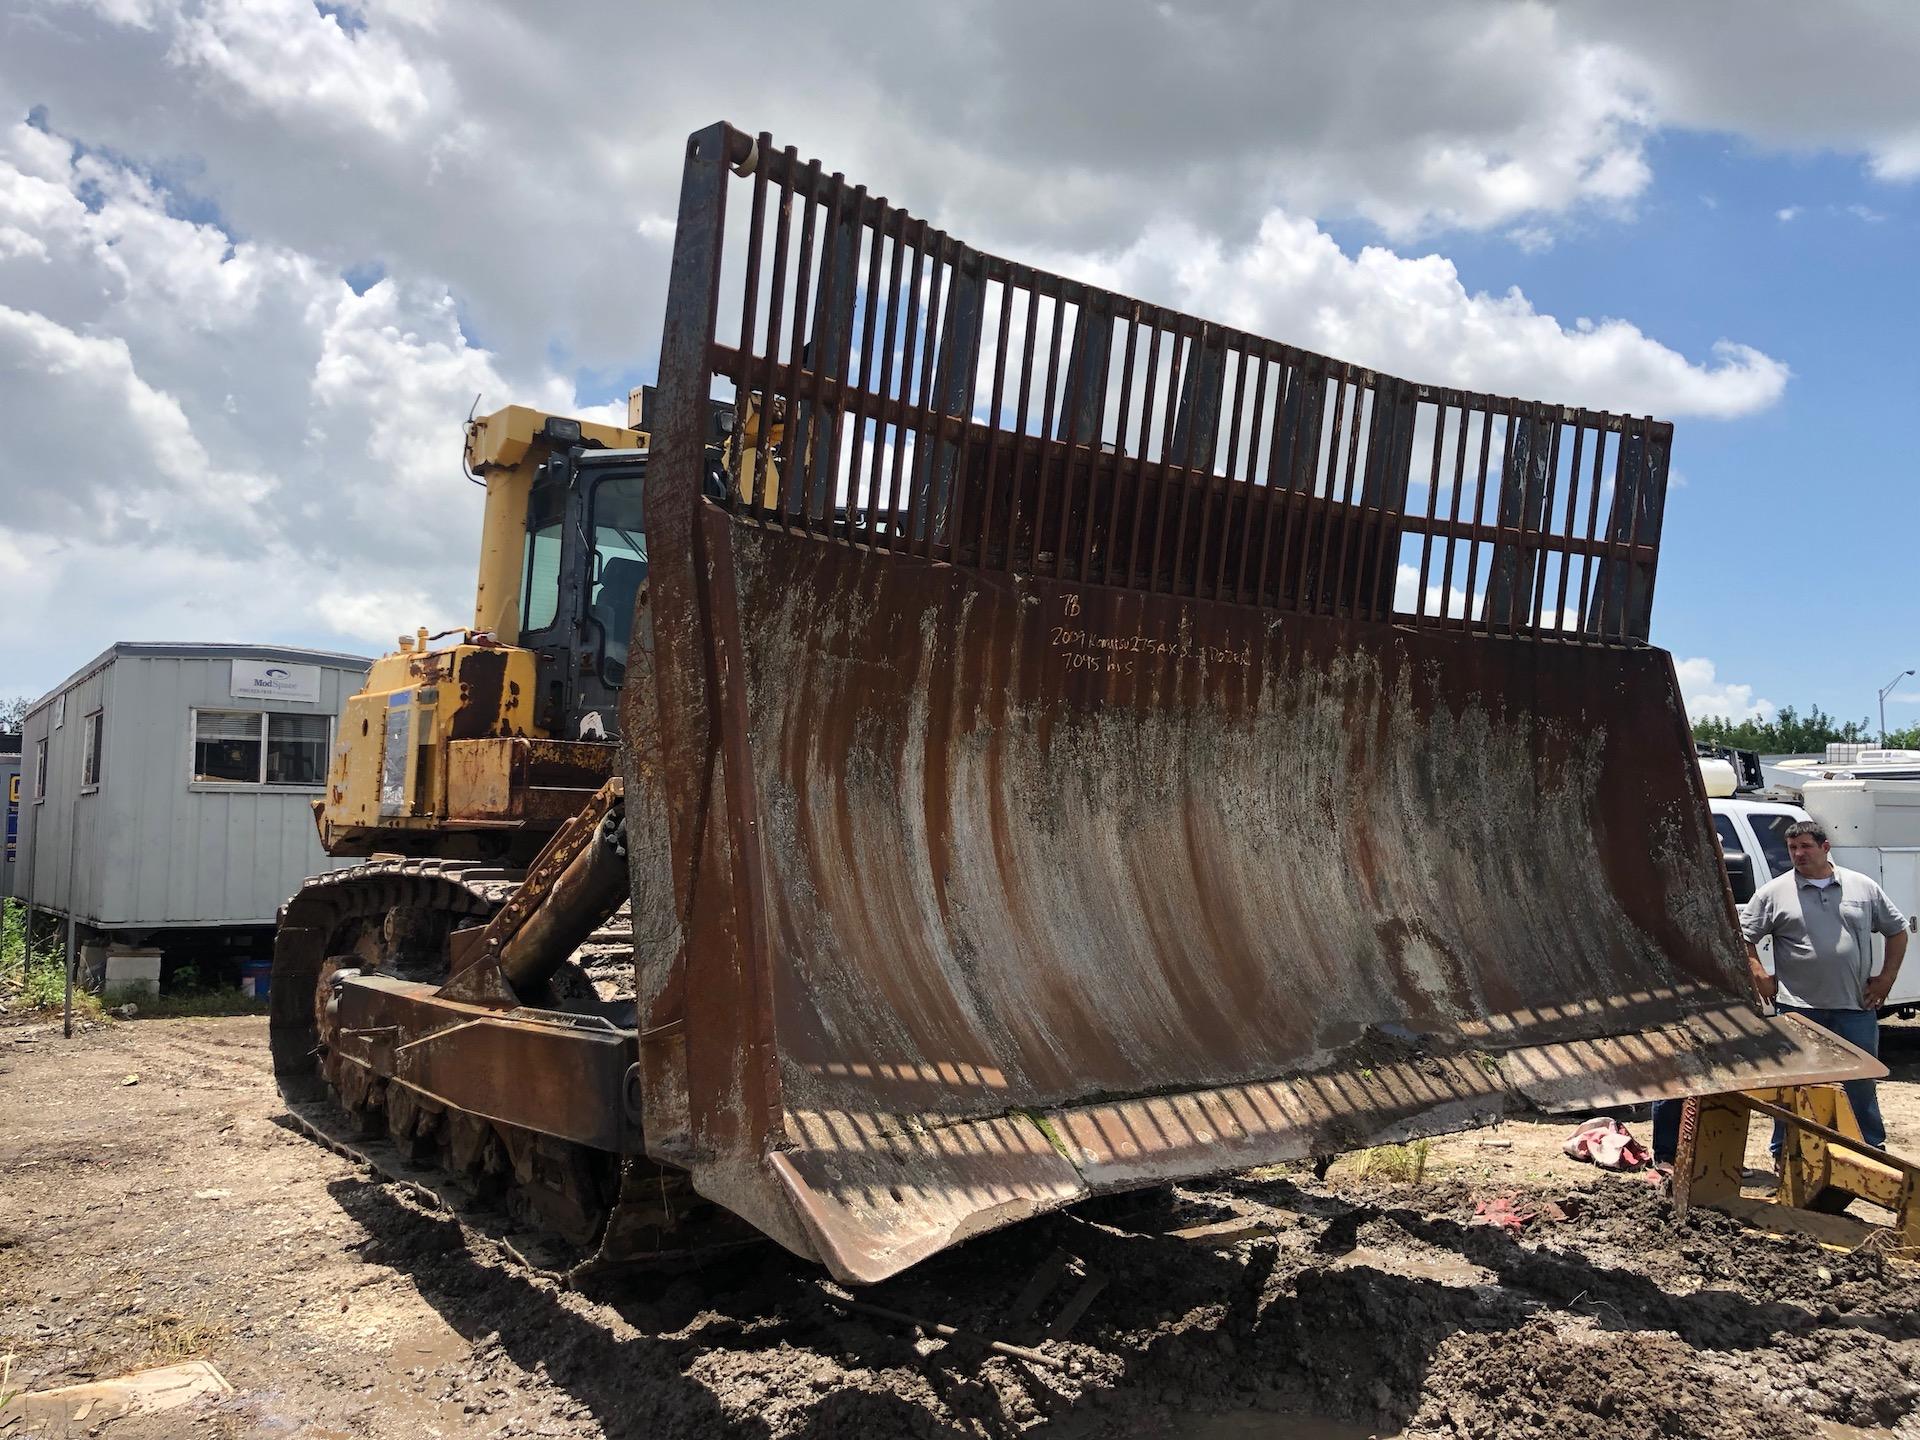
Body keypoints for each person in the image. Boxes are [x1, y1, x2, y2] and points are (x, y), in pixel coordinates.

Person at [1741, 818, 1909, 1156]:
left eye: (1806, 846)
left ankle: (1870, 1151)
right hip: (1799, 1010)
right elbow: (1743, 937)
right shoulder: (1774, 893)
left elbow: (1897, 930)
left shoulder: (1862, 888)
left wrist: (1886, 978)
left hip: (1855, 1007)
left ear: (1825, 848)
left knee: (1860, 1085)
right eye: (1792, 848)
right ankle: (1786, 1153)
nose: (1799, 854)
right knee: (1794, 1085)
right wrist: (1757, 971)